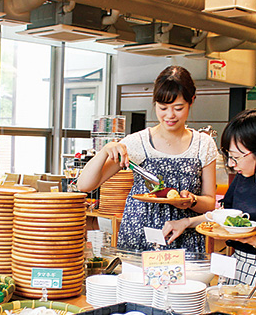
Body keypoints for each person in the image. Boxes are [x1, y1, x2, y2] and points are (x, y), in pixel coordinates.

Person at [163, 109, 256, 288]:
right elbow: (226, 215)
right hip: (236, 264)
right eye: (229, 156)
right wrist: (186, 222)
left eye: (235, 157)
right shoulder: (247, 175)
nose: (231, 164)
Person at [76, 66, 217, 252]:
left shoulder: (203, 144)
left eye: (178, 108)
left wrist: (191, 201)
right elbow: (84, 185)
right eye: (163, 108)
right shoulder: (137, 142)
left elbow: (209, 202)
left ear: (191, 101)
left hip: (185, 237)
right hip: (139, 235)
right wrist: (105, 151)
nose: (170, 115)